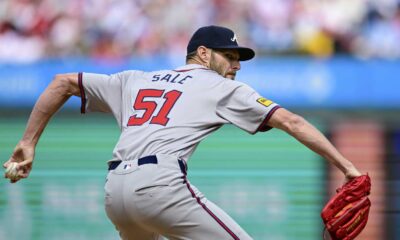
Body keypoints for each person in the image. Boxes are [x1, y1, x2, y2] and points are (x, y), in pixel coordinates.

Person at [3, 25, 362, 240]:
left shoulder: (135, 79)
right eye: (229, 55)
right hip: (160, 185)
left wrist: (27, 143)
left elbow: (61, 82)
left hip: (115, 193)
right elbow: (293, 122)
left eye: (239, 58)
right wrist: (347, 167)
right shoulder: (220, 86)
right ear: (203, 53)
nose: (236, 64)